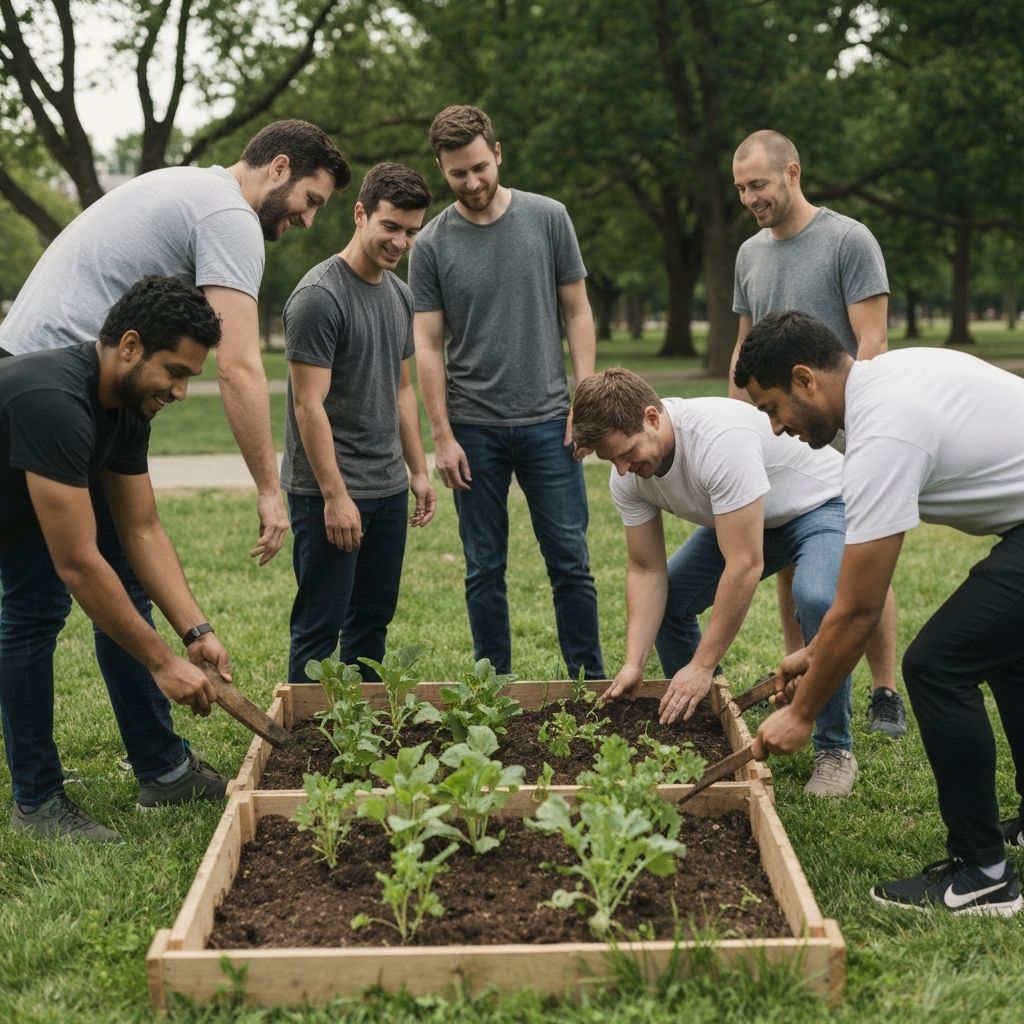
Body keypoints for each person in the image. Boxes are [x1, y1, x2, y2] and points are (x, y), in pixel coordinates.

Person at [0, 120, 349, 801]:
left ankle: (156, 764)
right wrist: (268, 488)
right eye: (310, 200)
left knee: (122, 575)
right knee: (43, 599)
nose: (306, 221)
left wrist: (195, 631)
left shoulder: (192, 192)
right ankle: (47, 794)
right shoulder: (230, 216)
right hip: (51, 394)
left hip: (93, 385)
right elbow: (241, 365)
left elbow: (144, 528)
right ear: (278, 168)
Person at [736, 310, 1024, 914]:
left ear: (805, 378)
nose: (777, 427)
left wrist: (803, 713)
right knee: (1002, 649)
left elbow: (861, 607)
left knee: (938, 665)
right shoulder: (885, 384)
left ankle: (984, 875)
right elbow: (858, 593)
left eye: (772, 407)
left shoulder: (884, 429)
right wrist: (817, 654)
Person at [0, 277, 232, 842]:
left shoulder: (127, 407)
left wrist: (193, 630)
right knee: (32, 618)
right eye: (174, 372)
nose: (179, 392)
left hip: (17, 508)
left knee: (38, 612)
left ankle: (59, 789)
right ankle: (37, 803)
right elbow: (79, 563)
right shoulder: (54, 400)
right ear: (129, 346)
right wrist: (160, 663)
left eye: (189, 378)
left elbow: (141, 528)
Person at [573, 367, 858, 796]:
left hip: (819, 505)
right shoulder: (628, 474)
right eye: (612, 460)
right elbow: (646, 570)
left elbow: (743, 564)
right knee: (672, 599)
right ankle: (710, 719)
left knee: (817, 597)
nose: (624, 469)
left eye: (627, 453)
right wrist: (634, 662)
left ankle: (834, 748)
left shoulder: (716, 440)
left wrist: (702, 664)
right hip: (749, 516)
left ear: (652, 417)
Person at [409, 104, 603, 679]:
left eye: (477, 168)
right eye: (456, 174)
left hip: (551, 423)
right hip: (473, 431)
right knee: (483, 568)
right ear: (442, 170)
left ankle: (589, 684)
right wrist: (441, 436)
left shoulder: (549, 218)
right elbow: (426, 343)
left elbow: (577, 310)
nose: (470, 183)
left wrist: (584, 400)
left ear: (497, 153)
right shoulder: (432, 243)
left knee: (571, 563)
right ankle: (491, 691)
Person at [728, 128, 907, 740]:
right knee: (796, 555)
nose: (751, 197)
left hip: (843, 418)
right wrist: (740, 416)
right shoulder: (749, 254)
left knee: (863, 559)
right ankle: (804, 666)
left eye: (759, 184)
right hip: (782, 421)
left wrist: (862, 427)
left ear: (792, 173)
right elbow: (746, 346)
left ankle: (884, 689)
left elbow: (873, 341)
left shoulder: (849, 240)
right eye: (742, 189)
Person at [282, 163, 437, 682]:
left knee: (372, 623)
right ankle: (304, 743)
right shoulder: (318, 298)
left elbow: (402, 389)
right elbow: (309, 405)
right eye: (390, 226)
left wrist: (417, 470)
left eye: (411, 232)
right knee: (320, 627)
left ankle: (358, 735)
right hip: (329, 490)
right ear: (360, 213)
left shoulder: (399, 294)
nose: (400, 242)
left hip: (388, 487)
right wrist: (334, 495)